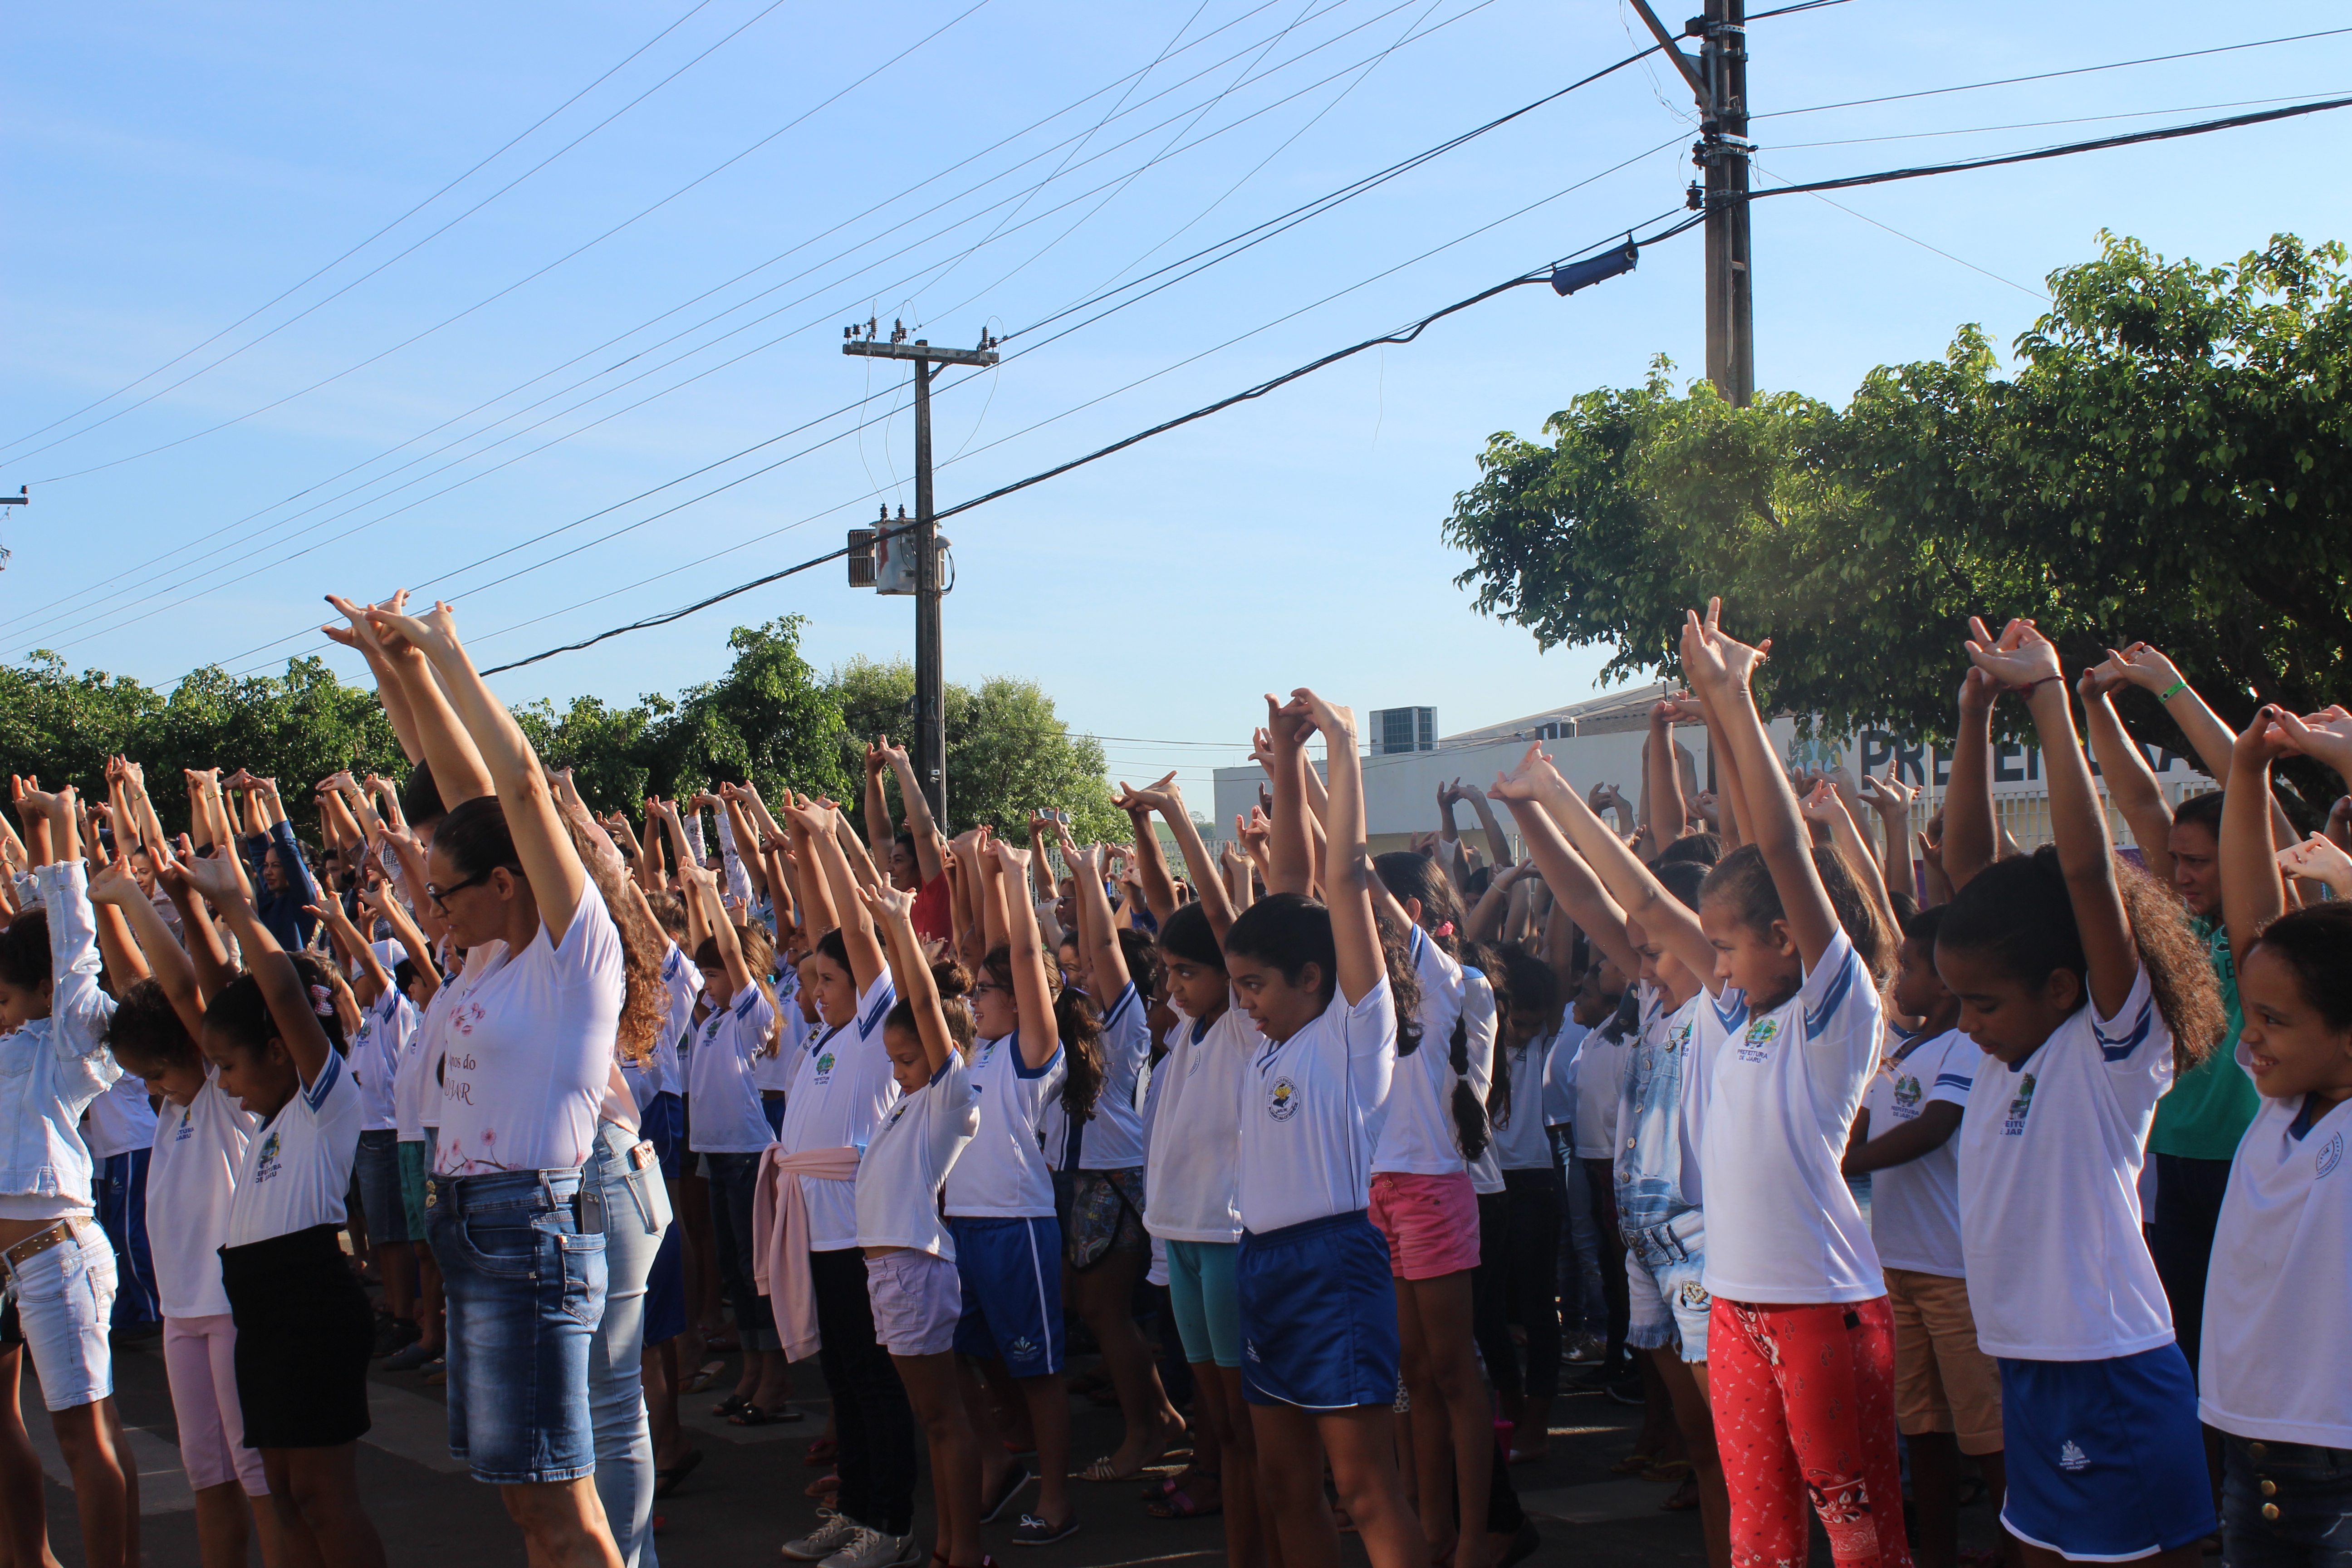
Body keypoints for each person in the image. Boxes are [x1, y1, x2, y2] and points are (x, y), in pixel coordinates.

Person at [1938, 616, 2226, 1568]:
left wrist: (2049, 698)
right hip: (2029, 1363)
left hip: (2108, 1367)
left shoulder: (2110, 1049)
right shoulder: (2003, 1053)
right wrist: (1974, 715)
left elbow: (2087, 874)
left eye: (1982, 1003)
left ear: (2061, 987)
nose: (1966, 1024)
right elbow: (1967, 870)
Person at [359, 597, 632, 1567]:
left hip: (532, 1231)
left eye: (446, 893)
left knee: (562, 1510)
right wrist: (398, 671)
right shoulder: (484, 956)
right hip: (476, 1225)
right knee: (530, 1507)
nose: (433, 912)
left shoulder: (572, 958)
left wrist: (451, 654)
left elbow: (513, 784)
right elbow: (461, 786)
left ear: (506, 883)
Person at [1677, 598, 1908, 1568]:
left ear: (1787, 941)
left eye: (1727, 946)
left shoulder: (1833, 1014)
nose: (1715, 967)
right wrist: (1718, 717)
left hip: (1824, 1309)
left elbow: (1778, 849)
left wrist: (1737, 701)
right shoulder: (1743, 1022)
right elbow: (1745, 851)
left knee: (1856, 1535)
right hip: (1733, 1305)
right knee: (1759, 1531)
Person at [1491, 750, 1729, 1565]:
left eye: (1654, 943)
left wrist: (1559, 794)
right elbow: (1587, 900)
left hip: (1704, 1247)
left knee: (1736, 1456)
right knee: (1702, 1451)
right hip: (1648, 1247)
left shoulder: (1716, 1005)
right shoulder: (1651, 998)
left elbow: (1637, 899)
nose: (1633, 952)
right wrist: (1529, 810)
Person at [1225, 689, 1424, 1568]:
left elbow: (1335, 881)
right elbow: (1289, 887)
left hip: (1336, 1262)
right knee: (1283, 1485)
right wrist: (1283, 766)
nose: (1245, 1004)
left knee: (1363, 1488)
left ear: (1313, 977)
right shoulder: (1270, 1040)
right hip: (1262, 1263)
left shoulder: (1351, 1032)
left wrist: (1341, 745)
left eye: (1256, 987)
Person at [90, 851, 305, 1568]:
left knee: (259, 1481)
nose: (152, 1086)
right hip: (184, 1315)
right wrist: (107, 908)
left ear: (197, 1052)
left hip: (235, 1311)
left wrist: (136, 897)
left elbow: (180, 989)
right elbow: (136, 991)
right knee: (206, 1477)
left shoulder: (219, 1093)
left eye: (157, 1072)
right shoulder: (174, 1103)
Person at [182, 848, 384, 1566]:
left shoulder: (322, 1105)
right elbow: (216, 996)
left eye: (232, 1068)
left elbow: (283, 1000)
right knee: (282, 1491)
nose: (226, 1086)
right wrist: (184, 901)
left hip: (311, 1304)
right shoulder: (267, 1121)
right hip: (260, 1307)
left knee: (325, 1497)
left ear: (278, 1052)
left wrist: (238, 905)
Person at [2196, 704, 2352, 1567]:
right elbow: (2259, 922)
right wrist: (2247, 775)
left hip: (2331, 1472)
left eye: (2273, 1022)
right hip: (2249, 1452)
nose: (2246, 1040)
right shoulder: (2282, 1108)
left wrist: (2345, 759)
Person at [1122, 775, 1271, 1566]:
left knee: (1244, 1423)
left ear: (1236, 974)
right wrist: (1145, 827)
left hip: (1224, 1236)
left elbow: (1215, 914)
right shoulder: (1188, 1026)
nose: (1172, 986)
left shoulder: (1248, 1029)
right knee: (1216, 1419)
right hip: (1177, 1234)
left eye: (1188, 972)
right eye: (1170, 974)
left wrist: (1178, 815)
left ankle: (1260, 1545)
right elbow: (1163, 911)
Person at [768, 794, 918, 1568]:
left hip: (862, 1230)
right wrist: (801, 849)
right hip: (820, 1233)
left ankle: (890, 1524)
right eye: (815, 978)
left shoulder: (870, 1030)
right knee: (844, 1376)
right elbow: (822, 921)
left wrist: (830, 841)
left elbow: (852, 927)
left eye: (829, 978)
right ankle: (855, 1507)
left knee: (874, 1380)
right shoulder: (825, 1040)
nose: (816, 989)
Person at [1842, 906, 2008, 1568]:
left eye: (1908, 967)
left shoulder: (1967, 1046)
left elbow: (1936, 1126)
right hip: (1898, 1264)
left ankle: (2017, 1551)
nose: (1898, 978)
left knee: (1987, 1432)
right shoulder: (1904, 1048)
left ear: (1946, 982)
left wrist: (1844, 1164)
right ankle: (1935, 1552)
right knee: (1922, 1426)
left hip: (1955, 1269)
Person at [0, 784, 137, 1568]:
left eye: (9, 997)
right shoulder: (20, 1037)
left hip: (58, 1258)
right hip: (10, 1267)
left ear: (46, 993)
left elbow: (72, 947)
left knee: (83, 1436)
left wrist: (59, 833)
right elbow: (37, 931)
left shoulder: (71, 1044)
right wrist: (30, 837)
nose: (1, 1010)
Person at [940, 835, 1085, 1548]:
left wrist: (1020, 875)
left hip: (1016, 1228)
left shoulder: (1034, 1053)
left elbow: (1023, 959)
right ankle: (1002, 1458)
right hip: (961, 1226)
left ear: (1025, 1001)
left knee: (1039, 1370)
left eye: (985, 992)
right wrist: (977, 868)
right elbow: (989, 948)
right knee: (962, 1355)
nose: (974, 996)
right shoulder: (980, 1049)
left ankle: (1057, 1497)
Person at [1363, 850, 1499, 1568]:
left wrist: (1318, 789)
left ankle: (1475, 1536)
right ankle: (1430, 1524)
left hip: (1432, 1190)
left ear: (1409, 916)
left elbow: (1359, 874)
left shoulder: (1455, 981)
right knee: (1410, 1369)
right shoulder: (1373, 995)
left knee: (1452, 1371)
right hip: (1379, 1191)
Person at [1049, 825, 1185, 1484]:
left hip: (1115, 1176)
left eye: (1085, 971)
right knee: (1093, 1309)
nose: (1076, 978)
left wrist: (1084, 873)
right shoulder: (1069, 1022)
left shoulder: (1125, 1019)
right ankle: (1157, 1414)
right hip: (1078, 1175)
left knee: (1107, 1311)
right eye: (1069, 971)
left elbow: (1104, 940)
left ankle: (1149, 1428)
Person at [853, 881, 983, 1568]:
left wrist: (900, 926)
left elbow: (927, 1007)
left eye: (909, 1060)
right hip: (892, 1270)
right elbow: (916, 1008)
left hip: (912, 1268)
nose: (900, 1072)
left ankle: (964, 1552)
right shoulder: (911, 1105)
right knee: (935, 1421)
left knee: (943, 1419)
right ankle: (949, 1546)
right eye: (895, 1061)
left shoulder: (950, 1099)